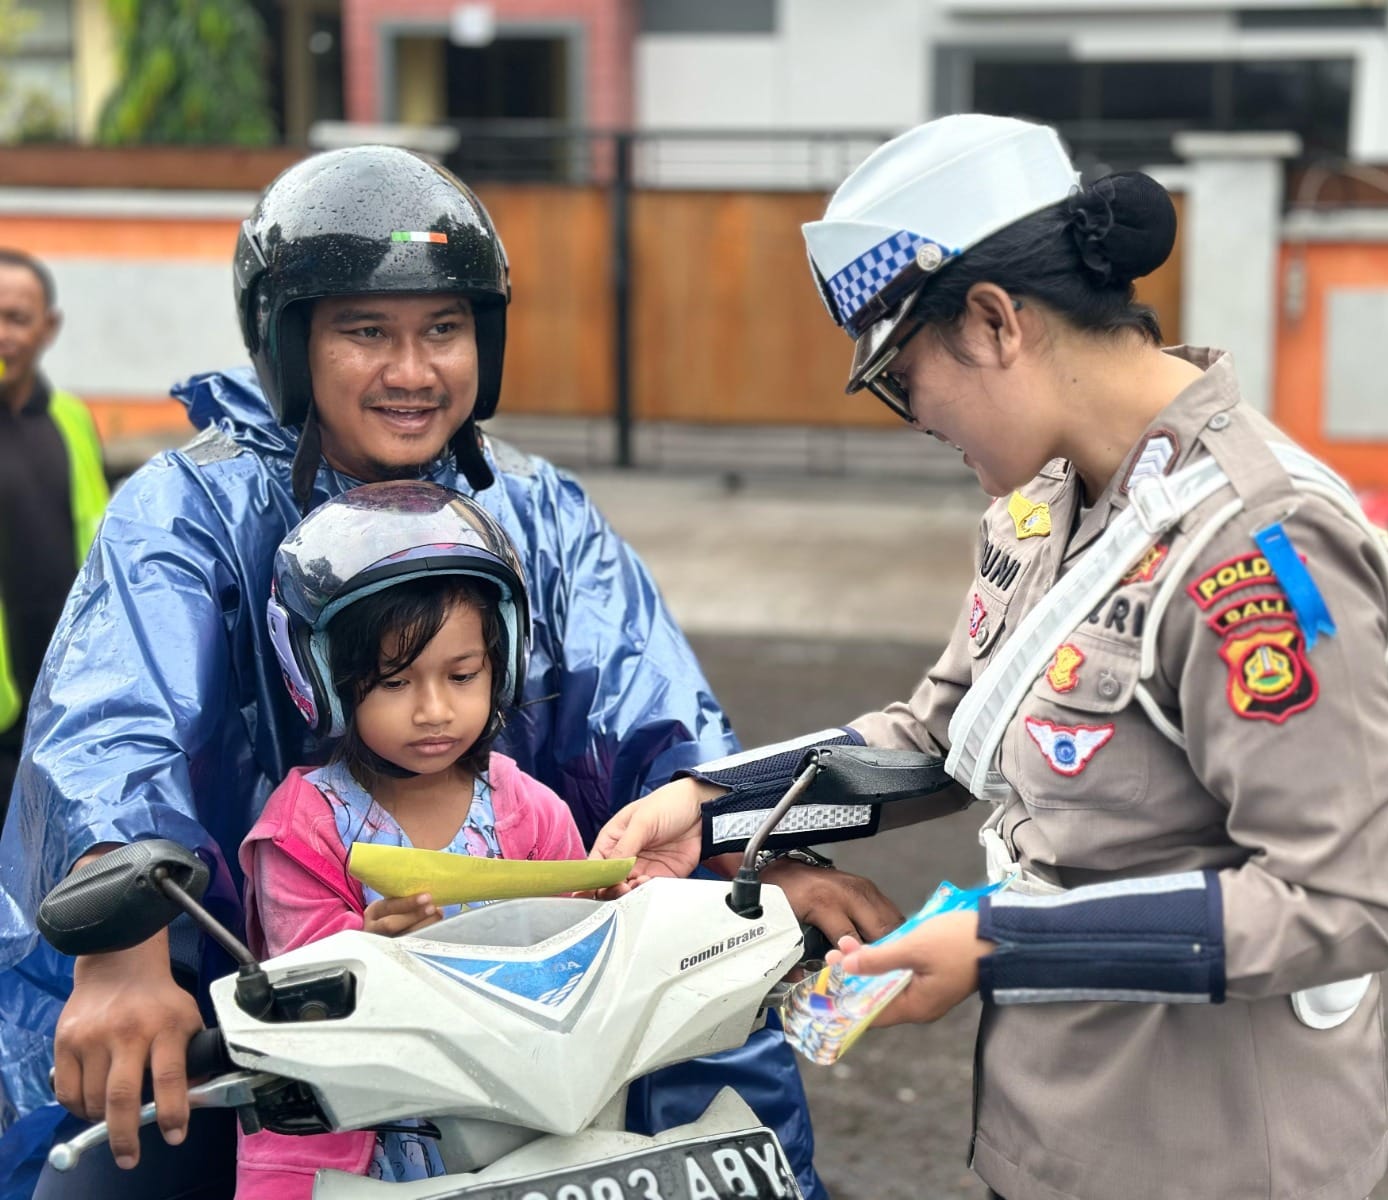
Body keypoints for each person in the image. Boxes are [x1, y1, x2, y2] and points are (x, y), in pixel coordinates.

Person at [0, 146, 888, 1200]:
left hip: (543, 1006)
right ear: (290, 344)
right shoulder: (191, 510)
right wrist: (127, 943)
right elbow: (115, 719)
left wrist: (749, 848)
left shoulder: (539, 509)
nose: (413, 372)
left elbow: (653, 717)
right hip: (240, 1017)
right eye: (365, 331)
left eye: (444, 330)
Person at [594, 114, 1388, 1200]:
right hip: (1051, 1140)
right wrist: (719, 808)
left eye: (903, 377)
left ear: (990, 322)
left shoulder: (1259, 545)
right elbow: (948, 738)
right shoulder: (1046, 500)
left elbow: (1341, 904)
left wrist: (999, 943)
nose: (913, 416)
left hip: (1213, 1162)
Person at [237, 481, 587, 1196]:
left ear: (504, 662)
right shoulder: (304, 823)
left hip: (520, 1138)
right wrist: (366, 947)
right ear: (326, 681)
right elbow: (303, 997)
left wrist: (613, 910)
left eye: (462, 675)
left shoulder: (532, 812)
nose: (434, 710)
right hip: (363, 1154)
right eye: (394, 683)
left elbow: (583, 971)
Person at [0, 250, 107, 818]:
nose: (2, 336)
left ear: (49, 327)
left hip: (62, 705)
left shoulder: (71, 418)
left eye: (16, 319)